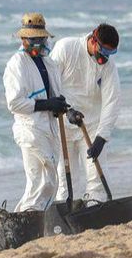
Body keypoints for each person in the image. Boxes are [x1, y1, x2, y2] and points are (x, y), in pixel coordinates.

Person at [2, 12, 70, 211]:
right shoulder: (17, 63)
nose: (38, 43)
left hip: (49, 128)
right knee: (42, 181)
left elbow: (55, 94)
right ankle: (27, 217)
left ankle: (33, 218)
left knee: (48, 181)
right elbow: (14, 103)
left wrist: (65, 107)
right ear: (24, 39)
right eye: (33, 40)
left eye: (40, 39)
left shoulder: (48, 63)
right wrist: (48, 105)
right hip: (30, 130)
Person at [49, 23, 121, 204]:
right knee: (66, 180)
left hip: (91, 126)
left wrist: (102, 138)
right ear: (94, 41)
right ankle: (66, 211)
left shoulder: (108, 66)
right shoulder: (66, 48)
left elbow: (112, 101)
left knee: (95, 177)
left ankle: (94, 207)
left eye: (111, 54)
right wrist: (67, 110)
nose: (106, 58)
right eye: (104, 52)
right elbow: (51, 85)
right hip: (63, 126)